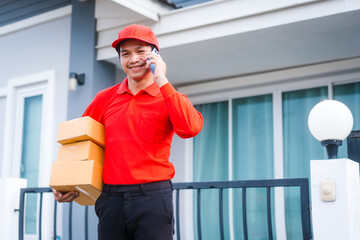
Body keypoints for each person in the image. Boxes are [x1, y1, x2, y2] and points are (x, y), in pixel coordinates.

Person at [52, 24, 203, 240]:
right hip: (111, 200)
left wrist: (161, 78)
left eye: (140, 51)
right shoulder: (105, 98)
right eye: (126, 54)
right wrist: (65, 182)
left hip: (153, 198)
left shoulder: (168, 96)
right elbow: (80, 142)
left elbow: (191, 128)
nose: (133, 59)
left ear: (156, 55)